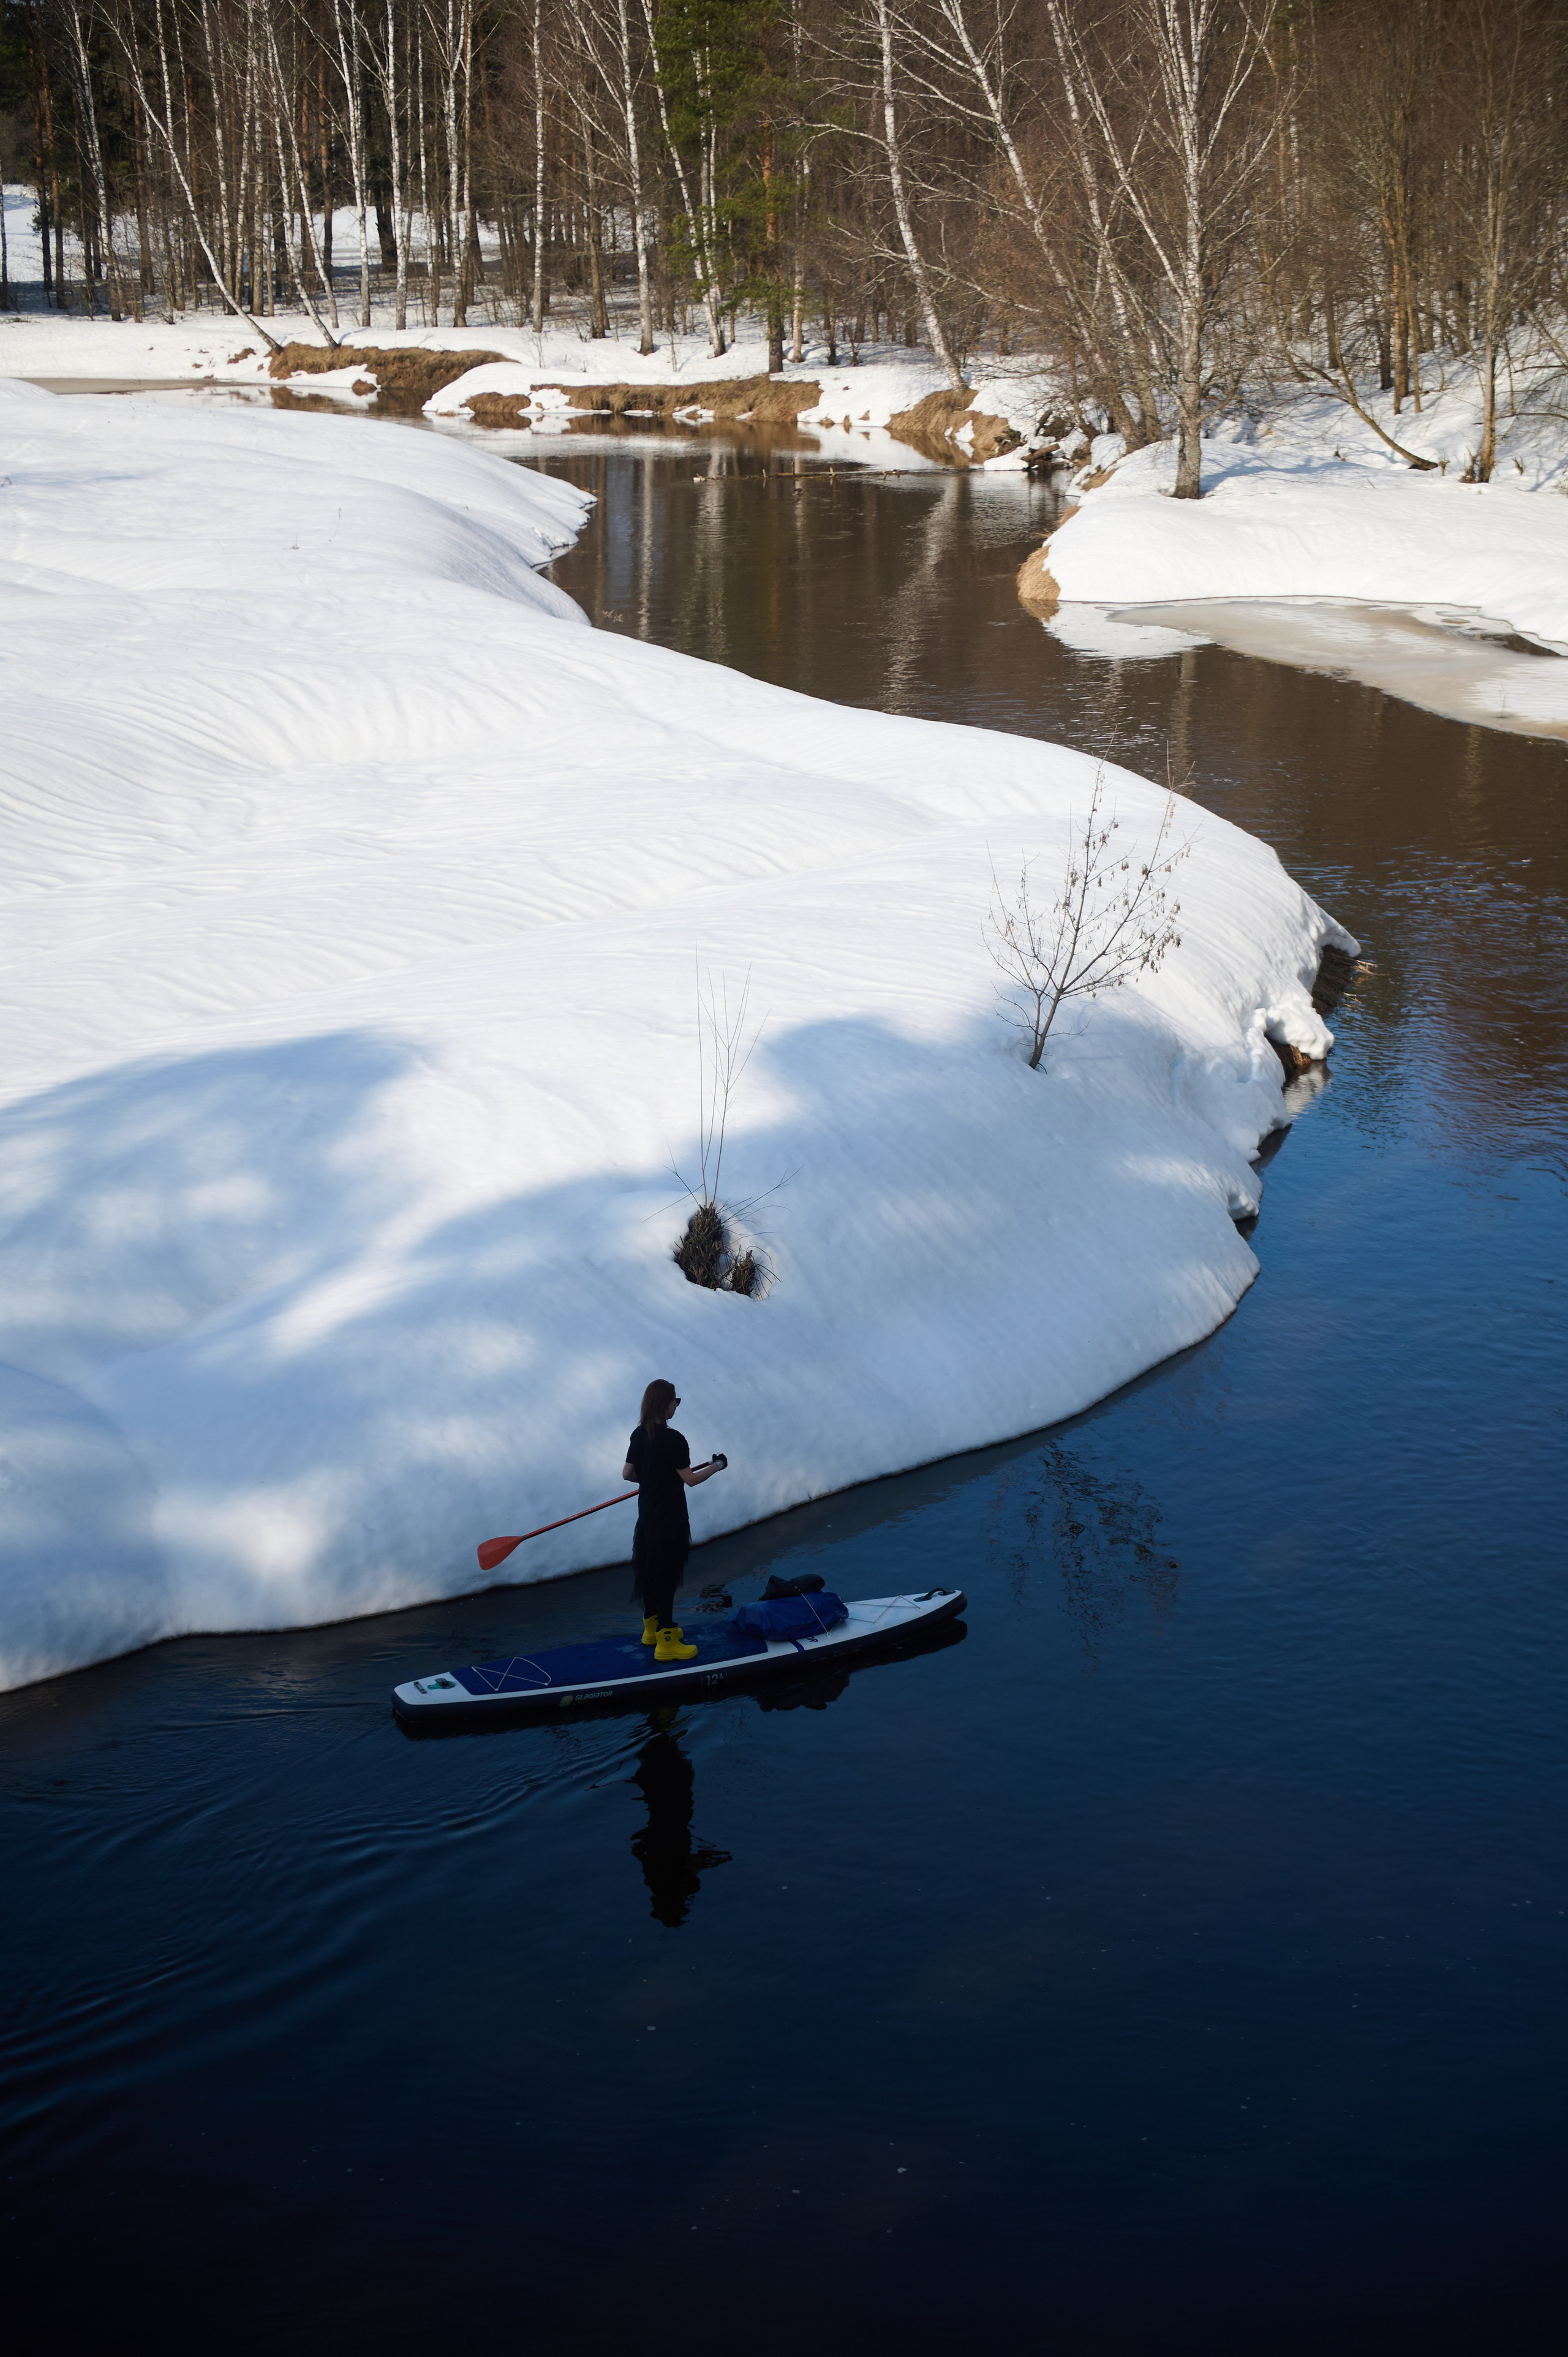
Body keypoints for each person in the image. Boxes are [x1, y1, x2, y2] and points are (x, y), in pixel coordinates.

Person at [622, 1380, 726, 1661]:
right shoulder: (674, 1439)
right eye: (675, 1402)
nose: (676, 1407)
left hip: (647, 1518)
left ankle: (651, 1630)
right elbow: (690, 1479)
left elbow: (628, 1474)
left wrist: (655, 1477)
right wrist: (718, 1466)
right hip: (671, 1520)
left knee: (650, 1572)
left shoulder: (639, 1434)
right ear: (664, 1404)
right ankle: (666, 1642)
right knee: (667, 1576)